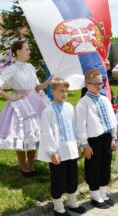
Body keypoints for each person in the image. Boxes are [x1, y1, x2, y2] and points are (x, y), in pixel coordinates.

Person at [0, 41, 52, 177]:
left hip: (36, 103)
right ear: (18, 52)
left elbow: (37, 87)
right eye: (27, 49)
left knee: (34, 136)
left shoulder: (31, 67)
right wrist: (11, 97)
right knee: (22, 135)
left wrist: (48, 81)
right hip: (22, 105)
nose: (29, 52)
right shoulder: (12, 69)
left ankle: (31, 165)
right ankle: (24, 167)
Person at [38, 78, 86, 216]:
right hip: (58, 152)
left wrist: (78, 145)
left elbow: (75, 127)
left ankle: (72, 202)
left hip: (71, 150)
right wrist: (52, 152)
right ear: (52, 91)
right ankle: (58, 207)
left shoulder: (70, 107)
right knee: (58, 179)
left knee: (73, 177)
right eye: (61, 91)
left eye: (66, 91)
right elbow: (47, 133)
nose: (64, 94)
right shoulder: (48, 111)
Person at [76, 70, 117, 209]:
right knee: (94, 167)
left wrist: (113, 136)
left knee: (105, 164)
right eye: (95, 84)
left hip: (106, 138)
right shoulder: (83, 103)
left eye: (101, 83)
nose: (99, 86)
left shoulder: (105, 100)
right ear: (87, 84)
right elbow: (80, 126)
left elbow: (112, 119)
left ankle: (103, 193)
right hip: (93, 140)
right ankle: (95, 196)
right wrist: (84, 145)